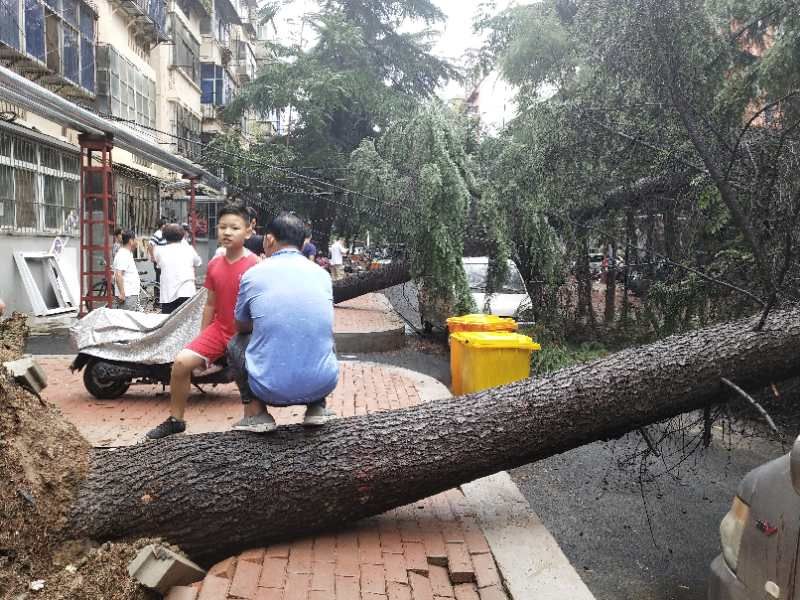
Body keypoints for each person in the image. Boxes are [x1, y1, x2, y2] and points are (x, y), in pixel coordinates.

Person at [146, 204, 259, 439]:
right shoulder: (214, 265)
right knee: (180, 363)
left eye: (234, 228)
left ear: (249, 231)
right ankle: (176, 419)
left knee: (249, 379)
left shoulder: (256, 265)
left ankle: (253, 421)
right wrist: (201, 339)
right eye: (223, 227)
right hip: (219, 329)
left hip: (248, 334)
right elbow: (210, 305)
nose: (227, 232)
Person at [228, 212, 338, 433]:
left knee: (235, 343)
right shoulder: (322, 275)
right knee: (322, 334)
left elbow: (240, 326)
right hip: (322, 383)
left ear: (269, 239)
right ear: (303, 242)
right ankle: (317, 407)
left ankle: (256, 413)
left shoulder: (253, 275)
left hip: (268, 389)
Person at [154, 223, 202, 314]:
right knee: (187, 322)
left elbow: (159, 265)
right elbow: (198, 262)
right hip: (187, 291)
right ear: (182, 235)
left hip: (168, 294)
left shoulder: (159, 250)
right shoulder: (189, 249)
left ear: (164, 236)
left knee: (168, 323)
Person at [112, 230, 141, 311]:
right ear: (131, 241)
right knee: (126, 322)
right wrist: (122, 293)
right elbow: (118, 274)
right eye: (136, 239)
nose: (137, 242)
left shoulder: (127, 253)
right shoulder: (123, 255)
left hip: (130, 295)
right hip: (127, 296)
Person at [148, 217, 168, 308]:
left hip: (163, 262)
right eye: (165, 224)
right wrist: (152, 257)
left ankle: (161, 300)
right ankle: (157, 301)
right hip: (158, 262)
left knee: (162, 280)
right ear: (162, 225)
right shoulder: (158, 234)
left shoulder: (163, 234)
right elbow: (150, 244)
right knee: (158, 280)